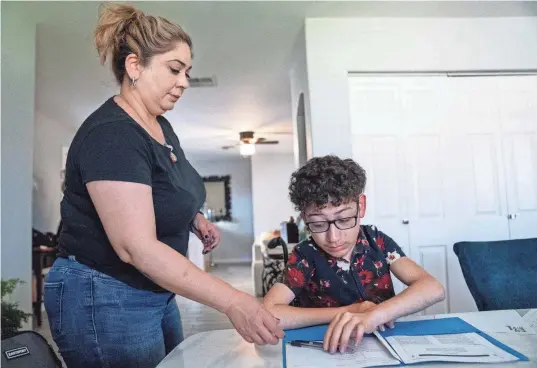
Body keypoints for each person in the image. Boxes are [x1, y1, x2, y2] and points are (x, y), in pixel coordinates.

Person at [44, 3, 283, 367]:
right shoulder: (113, 135)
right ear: (135, 66)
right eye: (174, 69)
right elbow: (136, 249)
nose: (184, 82)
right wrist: (235, 301)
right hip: (103, 293)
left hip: (154, 291)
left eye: (188, 71)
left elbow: (171, 187)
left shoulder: (160, 126)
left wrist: (193, 218)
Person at [263, 155, 445, 354]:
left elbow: (433, 288)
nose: (333, 237)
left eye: (344, 219)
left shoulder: (377, 241)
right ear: (305, 217)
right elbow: (270, 313)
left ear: (361, 206)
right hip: (326, 349)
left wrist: (374, 315)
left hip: (385, 346)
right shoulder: (304, 255)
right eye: (318, 224)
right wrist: (350, 311)